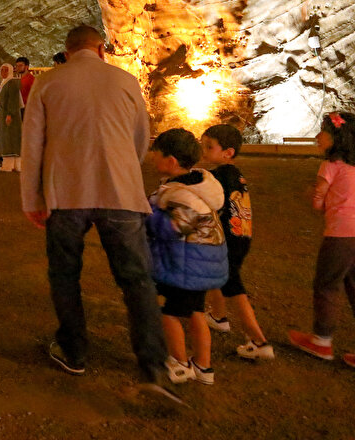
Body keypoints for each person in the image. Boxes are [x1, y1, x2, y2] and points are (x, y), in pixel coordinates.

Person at [20, 24, 179, 402]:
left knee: (65, 274)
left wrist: (33, 198)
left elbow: (33, 146)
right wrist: (122, 168)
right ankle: (153, 365)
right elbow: (141, 138)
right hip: (120, 192)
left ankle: (73, 351)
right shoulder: (125, 81)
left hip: (66, 193)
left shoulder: (48, 83)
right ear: (101, 49)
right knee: (137, 281)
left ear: (68, 51)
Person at [147, 129, 229, 385]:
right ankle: (203, 367)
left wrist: (147, 214)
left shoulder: (182, 195)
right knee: (195, 311)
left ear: (171, 161)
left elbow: (173, 227)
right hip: (202, 263)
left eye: (155, 155)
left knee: (167, 312)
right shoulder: (198, 186)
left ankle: (180, 364)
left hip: (187, 264)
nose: (152, 159)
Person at [200, 124, 273, 360]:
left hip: (227, 241)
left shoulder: (217, 177)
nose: (204, 150)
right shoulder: (237, 175)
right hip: (242, 237)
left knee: (234, 287)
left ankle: (259, 341)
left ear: (227, 152)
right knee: (216, 274)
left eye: (209, 146)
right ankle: (219, 317)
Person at [287, 111, 355, 369]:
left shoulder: (330, 166)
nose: (317, 137)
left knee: (327, 285)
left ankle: (322, 341)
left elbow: (318, 203)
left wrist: (312, 195)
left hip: (340, 236)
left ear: (335, 138)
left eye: (322, 132)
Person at [0, 63, 22, 172]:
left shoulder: (12, 83)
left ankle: (8, 165)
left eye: (6, 70)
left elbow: (13, 100)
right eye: (2, 70)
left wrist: (10, 114)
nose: (3, 73)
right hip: (5, 115)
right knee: (10, 139)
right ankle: (15, 165)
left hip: (9, 116)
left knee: (9, 139)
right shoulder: (5, 83)